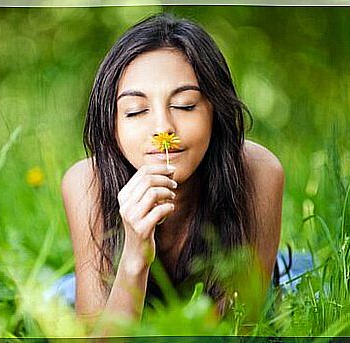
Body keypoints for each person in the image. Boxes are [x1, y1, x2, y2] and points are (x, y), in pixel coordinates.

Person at [61, 13, 284, 334]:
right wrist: (135, 255)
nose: (162, 128)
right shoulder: (86, 182)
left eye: (185, 105)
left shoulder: (259, 171)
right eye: (136, 111)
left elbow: (238, 328)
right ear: (112, 123)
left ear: (214, 111)